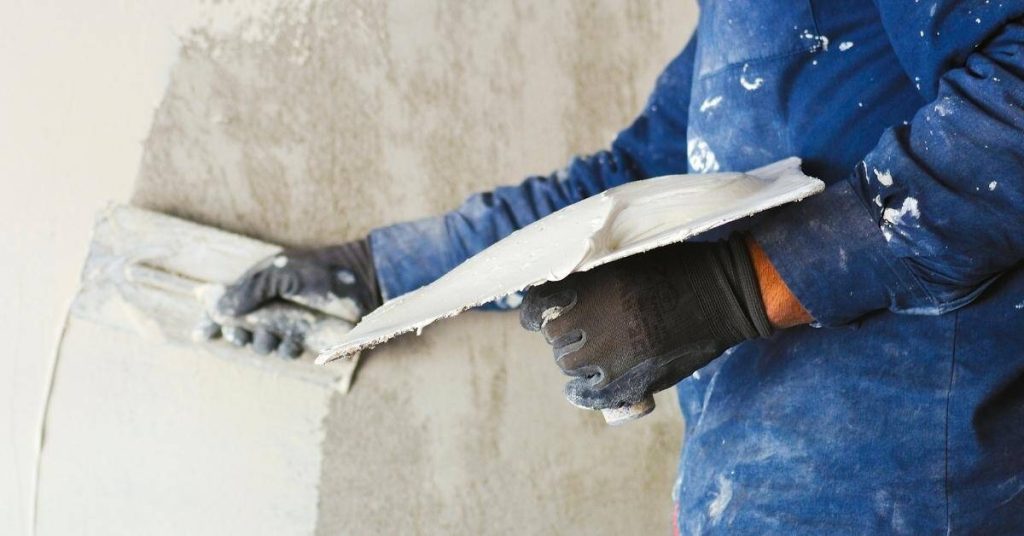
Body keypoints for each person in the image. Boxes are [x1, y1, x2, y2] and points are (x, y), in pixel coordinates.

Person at [209, 1, 1024, 533]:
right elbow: (626, 188)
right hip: (751, 498)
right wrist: (383, 275)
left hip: (914, 491)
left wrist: (736, 289)